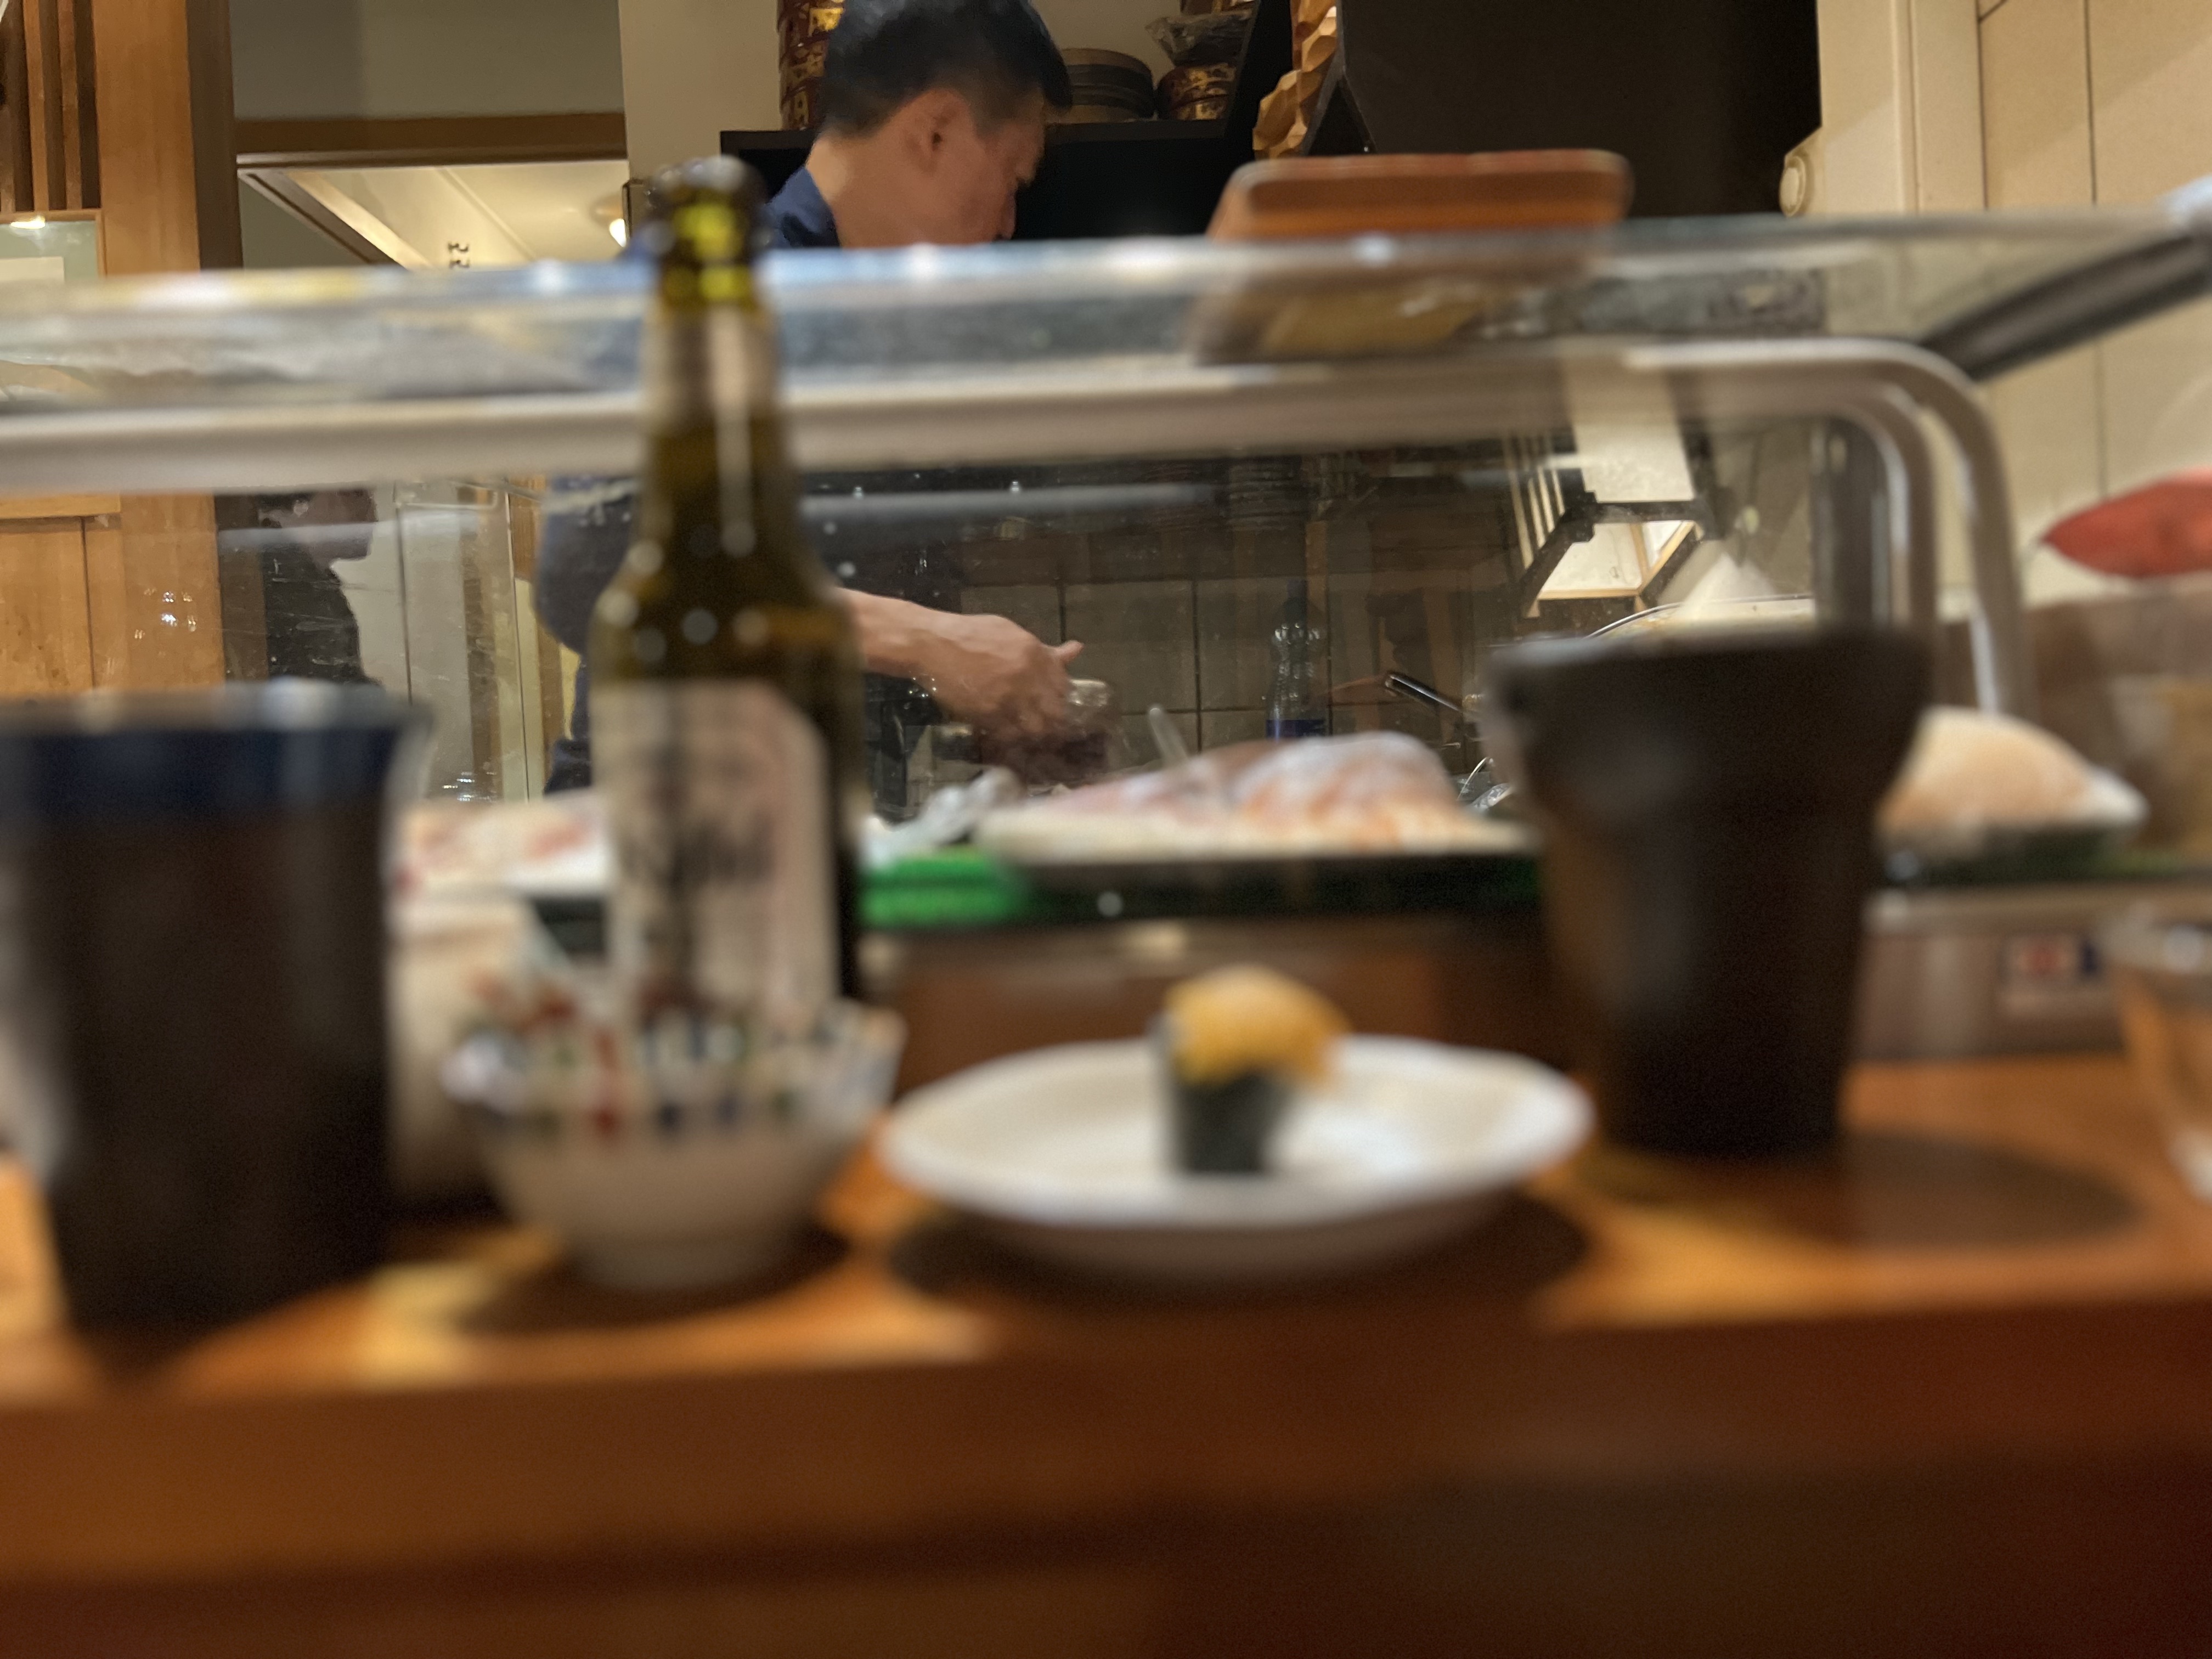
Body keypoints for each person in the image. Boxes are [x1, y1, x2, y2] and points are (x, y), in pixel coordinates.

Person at [539, 0, 1082, 795]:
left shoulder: (886, 331)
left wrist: (980, 697)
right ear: (935, 130)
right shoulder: (709, 286)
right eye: (1011, 179)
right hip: (668, 826)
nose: (1007, 222)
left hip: (824, 820)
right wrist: (930, 643)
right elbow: (583, 574)